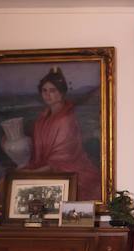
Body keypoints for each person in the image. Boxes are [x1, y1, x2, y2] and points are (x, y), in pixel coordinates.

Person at [26, 67, 100, 199]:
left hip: (69, 172)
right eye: (44, 91)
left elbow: (61, 162)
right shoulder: (42, 119)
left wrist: (29, 173)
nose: (47, 95)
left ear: (61, 93)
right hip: (46, 169)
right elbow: (39, 156)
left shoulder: (65, 120)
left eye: (52, 90)